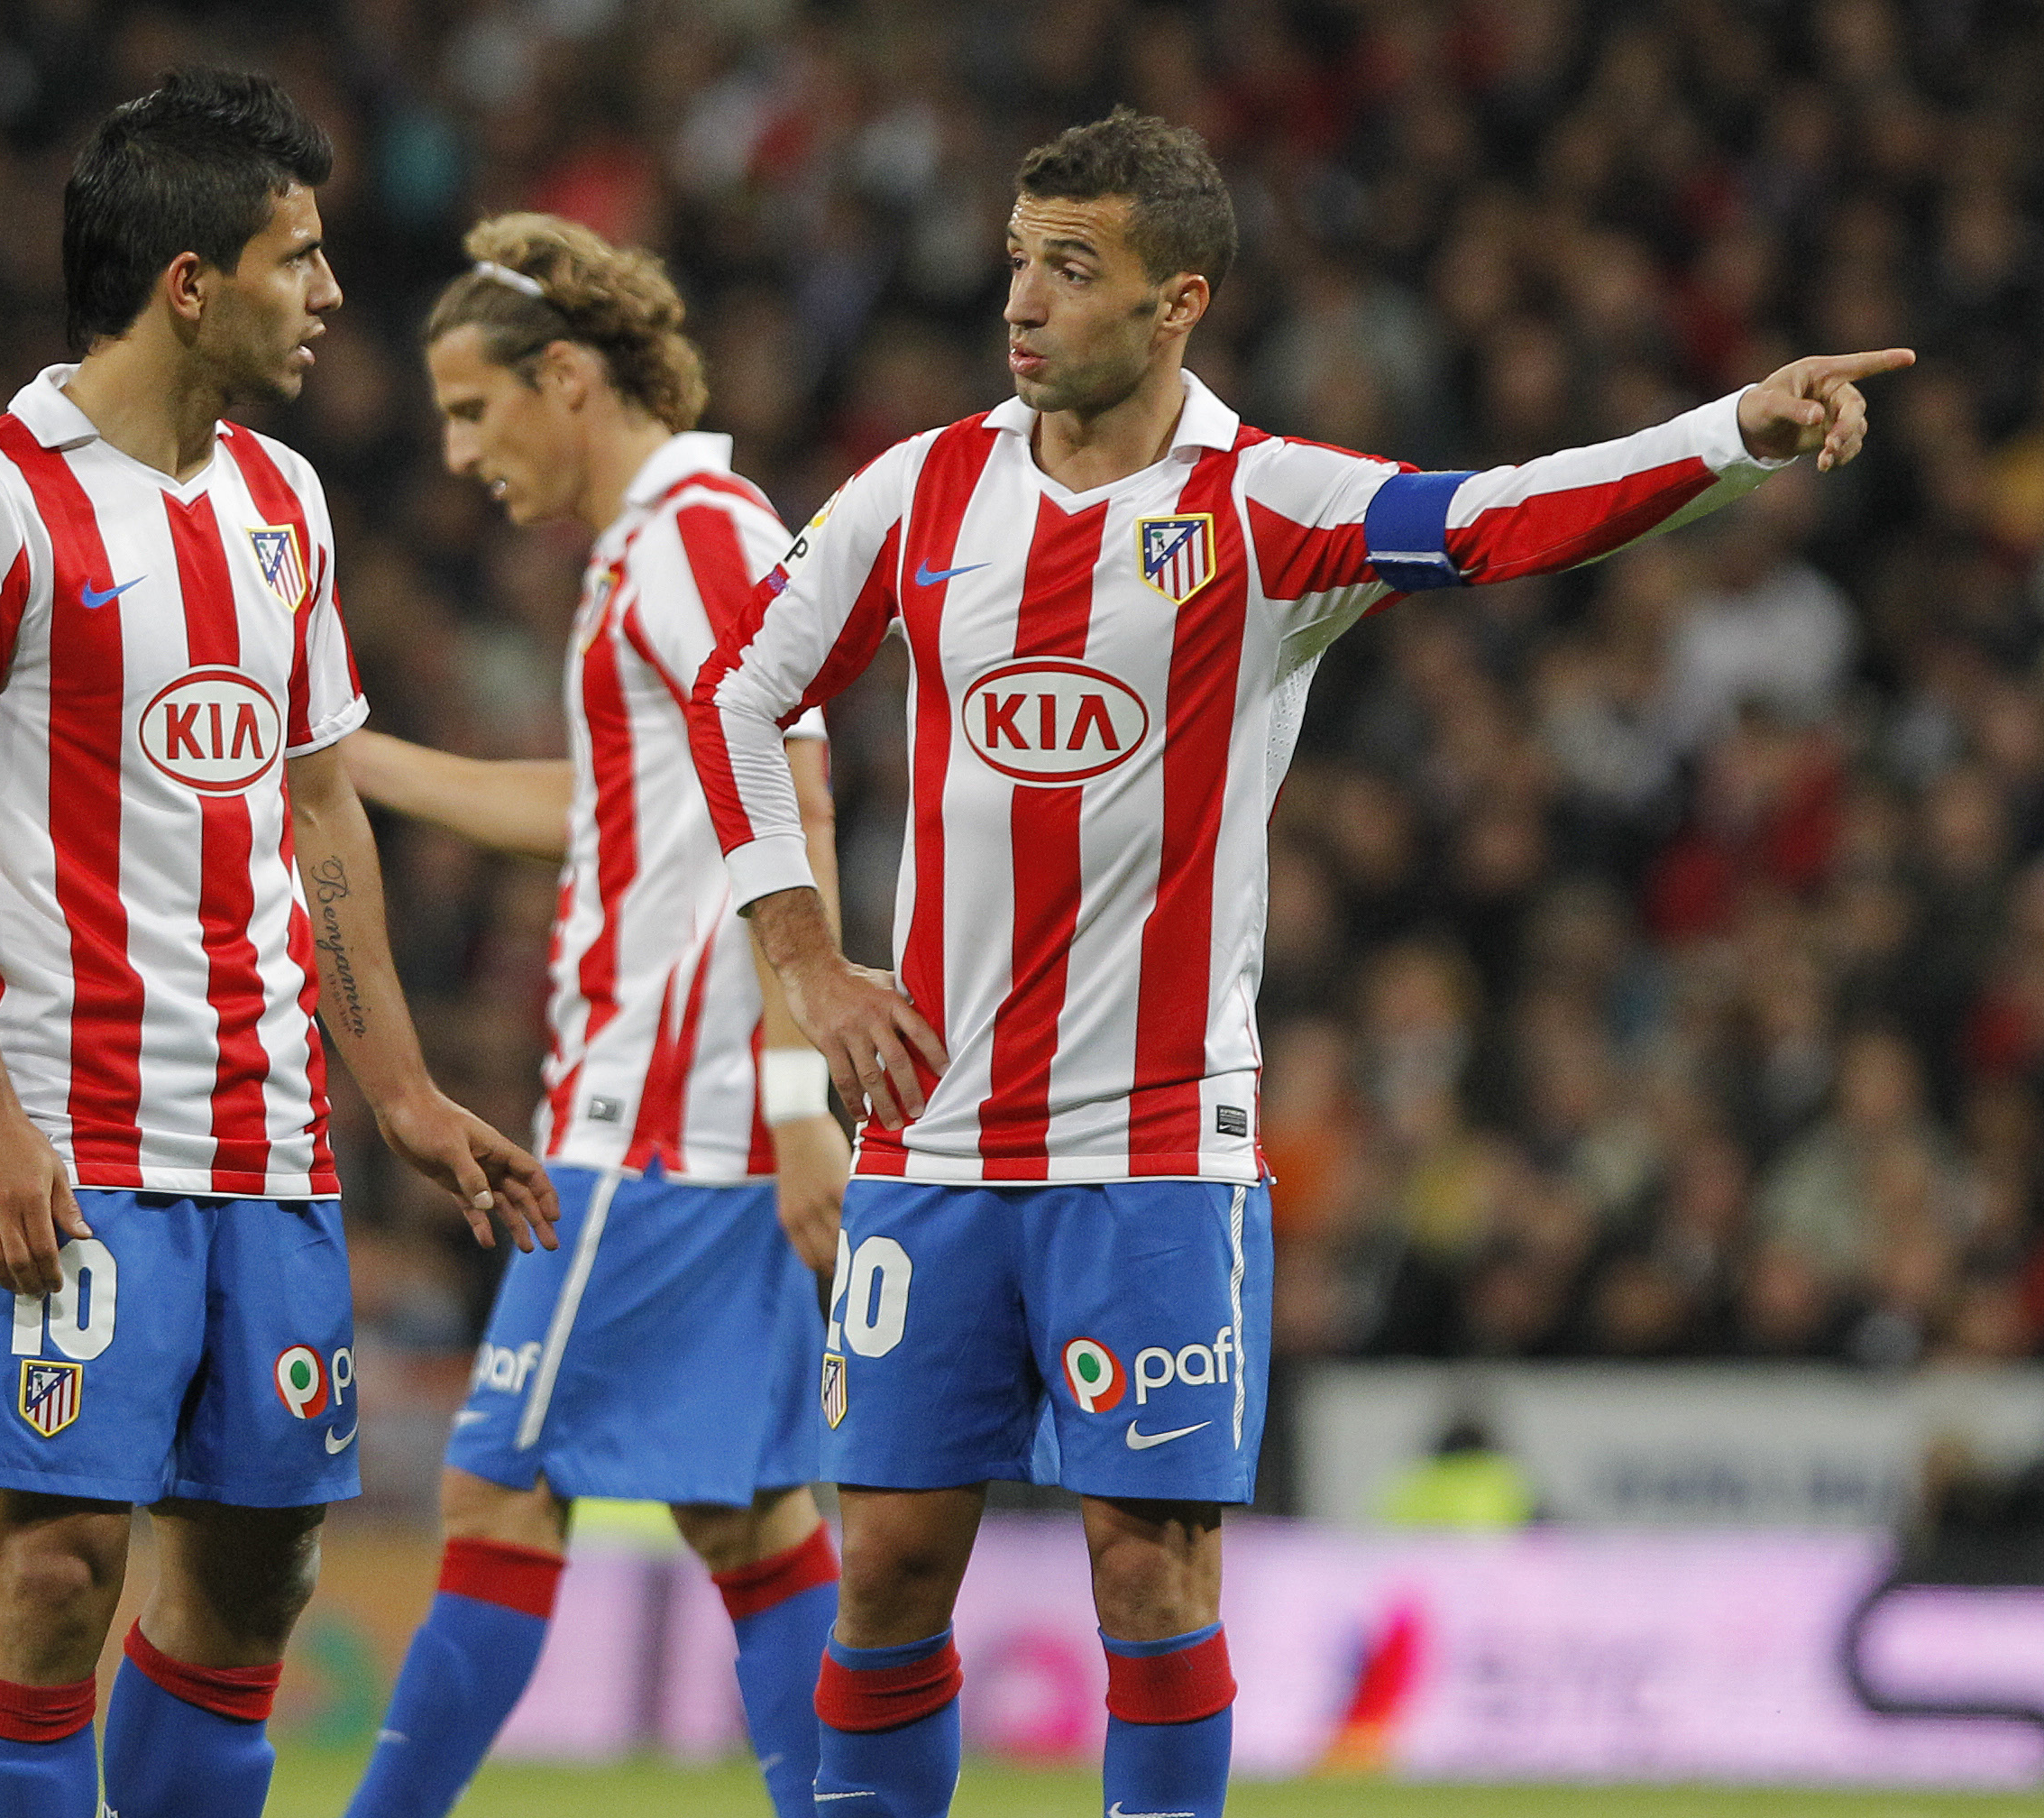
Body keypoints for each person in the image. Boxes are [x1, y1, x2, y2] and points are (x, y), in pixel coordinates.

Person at [687, 106, 1906, 1818]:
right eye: (1018, 261)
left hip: (1159, 1155)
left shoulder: (1266, 509)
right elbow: (738, 691)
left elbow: (1498, 519)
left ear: (1180, 300)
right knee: (884, 1567)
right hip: (933, 1140)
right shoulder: (920, 487)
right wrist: (803, 960)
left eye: (1072, 268)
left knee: (1150, 1584)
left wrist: (1735, 431)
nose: (1023, 304)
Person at [0, 70, 555, 1818]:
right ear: (189, 281)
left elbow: (324, 818)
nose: (328, 296)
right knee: (52, 1572)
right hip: (71, 1140)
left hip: (272, 1147)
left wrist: (396, 1087)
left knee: (256, 1582)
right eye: (294, 259)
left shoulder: (285, 509)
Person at [339, 215, 845, 1818]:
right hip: (691, 1114)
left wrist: (794, 1100)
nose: (459, 450)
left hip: (669, 1117)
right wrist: (354, 759)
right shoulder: (657, 543)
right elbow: (621, 805)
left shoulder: (695, 531)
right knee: (750, 1521)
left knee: (496, 1489)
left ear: (568, 379)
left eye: (475, 409)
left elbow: (800, 782)